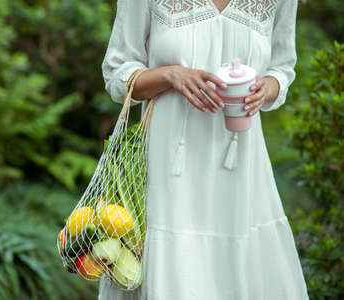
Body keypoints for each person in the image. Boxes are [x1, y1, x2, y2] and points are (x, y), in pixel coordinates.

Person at [99, 0, 309, 299]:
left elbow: (283, 68)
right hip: (167, 172)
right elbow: (118, 73)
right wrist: (169, 75)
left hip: (242, 172)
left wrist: (268, 87)